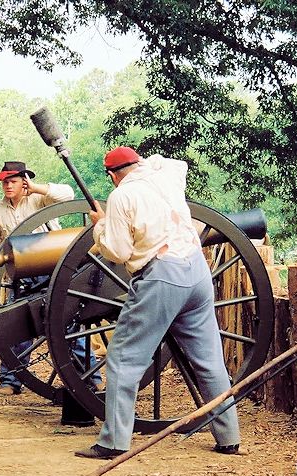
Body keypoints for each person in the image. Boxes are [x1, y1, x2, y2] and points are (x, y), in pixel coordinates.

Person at [75, 147, 242, 459]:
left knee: (124, 358)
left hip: (161, 275)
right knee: (208, 360)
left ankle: (113, 442)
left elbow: (119, 251)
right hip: (196, 271)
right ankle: (229, 436)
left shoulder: (121, 196)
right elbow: (177, 162)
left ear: (112, 176)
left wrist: (102, 224)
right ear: (139, 163)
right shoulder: (166, 175)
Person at [0, 161, 101, 395]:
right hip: (22, 273)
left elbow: (68, 194)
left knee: (68, 322)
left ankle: (92, 377)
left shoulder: (39, 199)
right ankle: (11, 381)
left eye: (12, 181)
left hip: (53, 268)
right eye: (4, 182)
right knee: (15, 324)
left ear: (24, 181)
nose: (7, 186)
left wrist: (37, 188)